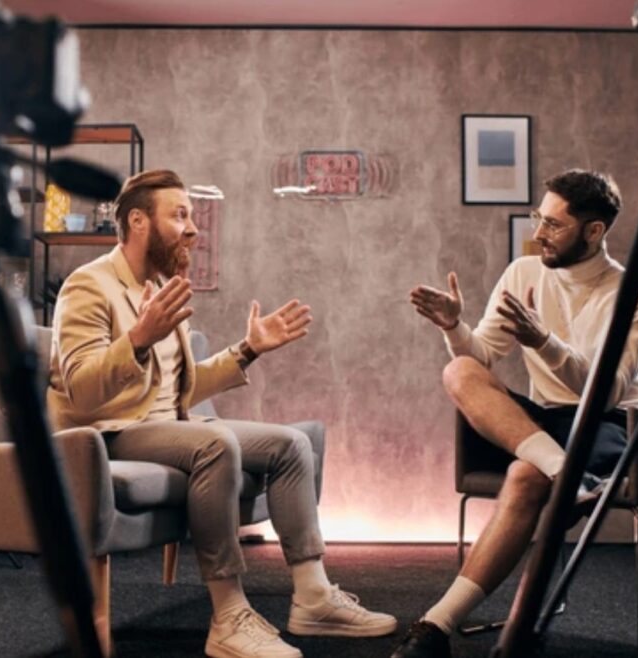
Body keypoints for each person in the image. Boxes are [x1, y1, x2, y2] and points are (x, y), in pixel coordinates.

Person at [48, 169, 397, 658]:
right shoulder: (88, 286)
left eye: (191, 216)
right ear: (138, 221)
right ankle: (228, 616)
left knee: (291, 445)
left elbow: (181, 387)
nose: (193, 229)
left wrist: (248, 349)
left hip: (168, 425)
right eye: (180, 215)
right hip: (109, 432)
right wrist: (138, 339)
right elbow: (83, 390)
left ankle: (314, 597)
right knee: (216, 445)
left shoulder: (160, 286)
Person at [397, 169, 638, 658]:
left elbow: (608, 392)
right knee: (459, 371)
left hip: (610, 425)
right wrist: (454, 327)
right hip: (546, 421)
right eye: (539, 217)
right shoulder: (523, 273)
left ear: (594, 230)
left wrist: (544, 341)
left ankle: (435, 625)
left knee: (524, 474)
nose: (539, 232)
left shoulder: (637, 296)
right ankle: (566, 475)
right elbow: (481, 355)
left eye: (553, 224)